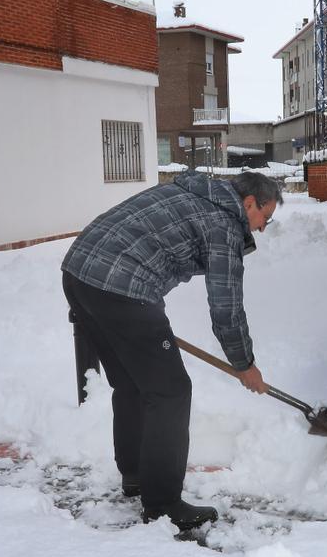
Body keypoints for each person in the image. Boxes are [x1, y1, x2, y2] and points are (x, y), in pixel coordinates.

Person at [61, 170, 282, 530]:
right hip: (121, 286)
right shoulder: (223, 223)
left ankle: (135, 474)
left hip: (79, 272)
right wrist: (245, 363)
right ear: (248, 203)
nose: (261, 227)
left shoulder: (191, 193)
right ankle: (163, 504)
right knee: (171, 391)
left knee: (133, 383)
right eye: (264, 218)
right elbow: (226, 306)